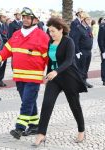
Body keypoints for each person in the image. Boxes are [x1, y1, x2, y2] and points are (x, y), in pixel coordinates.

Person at [0, 7, 49, 139]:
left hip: (34, 77)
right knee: (28, 100)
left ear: (35, 20)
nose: (25, 20)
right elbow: (6, 50)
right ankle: (34, 126)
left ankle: (19, 128)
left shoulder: (42, 36)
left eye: (28, 17)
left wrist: (54, 73)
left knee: (26, 102)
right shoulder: (16, 34)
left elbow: (48, 57)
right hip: (19, 76)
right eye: (24, 17)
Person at [32, 17, 87, 147]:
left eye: (53, 31)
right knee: (47, 104)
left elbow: (68, 61)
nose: (51, 34)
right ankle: (41, 134)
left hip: (69, 78)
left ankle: (81, 130)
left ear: (61, 29)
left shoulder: (69, 42)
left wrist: (56, 71)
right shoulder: (51, 42)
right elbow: (50, 61)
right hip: (54, 79)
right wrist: (47, 75)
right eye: (49, 31)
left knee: (74, 106)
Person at [72, 12, 93, 88]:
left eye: (89, 19)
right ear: (83, 20)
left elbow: (90, 38)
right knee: (81, 67)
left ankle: (84, 81)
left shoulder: (89, 28)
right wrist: (77, 52)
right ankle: (80, 83)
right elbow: (75, 41)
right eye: (87, 19)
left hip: (88, 51)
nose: (89, 21)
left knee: (86, 67)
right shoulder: (78, 28)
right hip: (82, 51)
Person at [0, 9, 9, 87]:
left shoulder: (5, 25)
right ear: (0, 17)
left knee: (4, 65)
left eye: (5, 17)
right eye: (4, 17)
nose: (5, 18)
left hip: (5, 47)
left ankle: (0, 79)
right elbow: (1, 36)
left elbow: (7, 34)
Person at [98, 18, 105, 85]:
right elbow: (100, 40)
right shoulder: (102, 27)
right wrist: (103, 51)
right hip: (104, 49)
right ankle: (104, 80)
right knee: (104, 64)